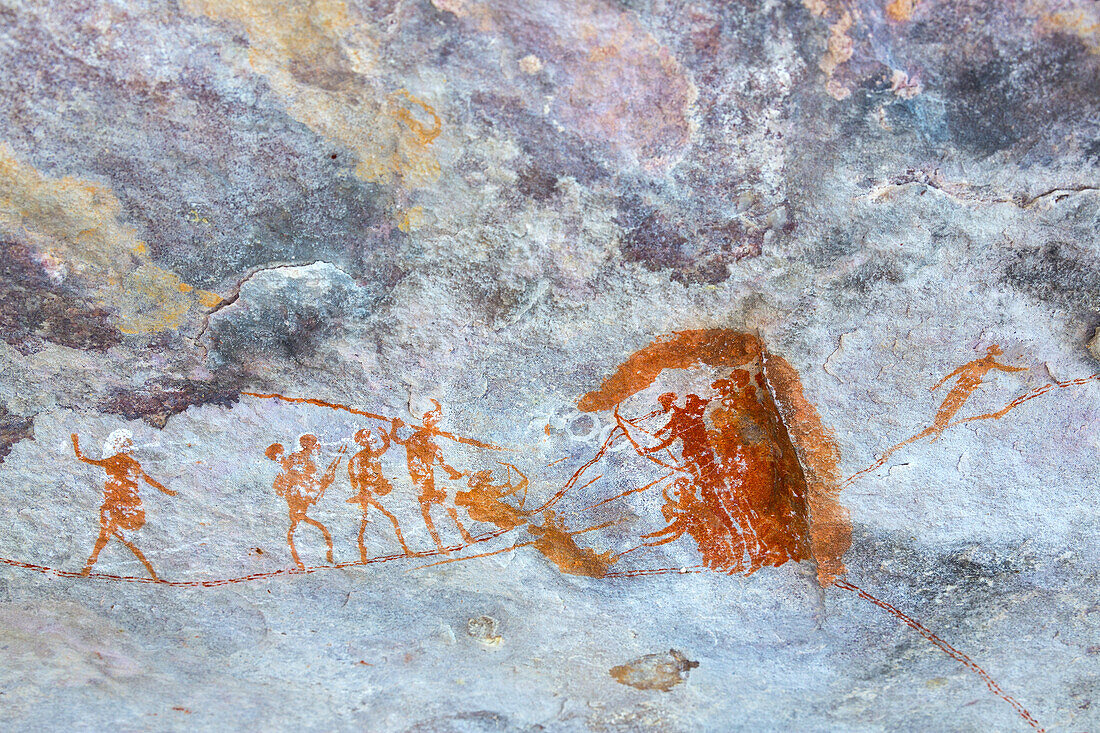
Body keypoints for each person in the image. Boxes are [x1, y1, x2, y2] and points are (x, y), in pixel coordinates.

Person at [72, 430, 175, 580]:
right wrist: (166, 491)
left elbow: (82, 458)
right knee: (110, 538)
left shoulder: (127, 463)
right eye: (127, 445)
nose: (130, 448)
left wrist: (75, 443)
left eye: (129, 446)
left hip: (121, 508)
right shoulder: (122, 462)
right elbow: (149, 480)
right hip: (124, 508)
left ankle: (87, 569)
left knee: (110, 539)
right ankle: (152, 574)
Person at [390, 400, 472, 550]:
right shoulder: (425, 441)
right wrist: (455, 473)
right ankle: (452, 538)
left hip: (424, 482)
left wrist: (394, 428)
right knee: (439, 508)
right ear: (432, 425)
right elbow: (444, 464)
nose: (437, 428)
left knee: (434, 510)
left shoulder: (419, 438)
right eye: (436, 425)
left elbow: (397, 439)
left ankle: (445, 542)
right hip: (423, 484)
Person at [266, 434, 345, 570]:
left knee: (306, 530)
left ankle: (315, 559)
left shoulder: (302, 461)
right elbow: (293, 484)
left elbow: (308, 482)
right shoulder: (293, 465)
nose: (318, 447)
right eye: (315, 444)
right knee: (309, 530)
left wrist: (322, 484)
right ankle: (305, 562)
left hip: (301, 505)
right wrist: (318, 486)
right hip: (297, 506)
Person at [929, 345, 1027, 437]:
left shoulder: (990, 364)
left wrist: (1021, 369)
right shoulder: (977, 362)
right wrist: (940, 382)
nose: (992, 356)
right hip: (961, 385)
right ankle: (937, 424)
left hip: (968, 388)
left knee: (955, 405)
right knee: (949, 402)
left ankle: (940, 425)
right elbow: (957, 371)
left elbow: (1007, 368)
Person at [346, 426, 410, 561]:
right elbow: (357, 479)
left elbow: (386, 446)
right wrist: (374, 478)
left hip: (371, 493)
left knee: (367, 522)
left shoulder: (373, 454)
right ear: (362, 441)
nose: (371, 437)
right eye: (367, 435)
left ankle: (362, 553)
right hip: (367, 494)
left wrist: (386, 436)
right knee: (383, 519)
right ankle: (404, 549)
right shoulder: (360, 457)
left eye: (370, 434)